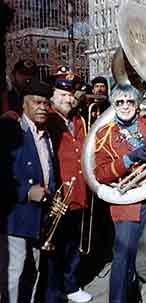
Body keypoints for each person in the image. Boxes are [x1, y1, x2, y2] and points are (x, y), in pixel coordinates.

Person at [94, 84, 146, 303]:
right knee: (123, 258)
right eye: (119, 102)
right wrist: (129, 158)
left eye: (130, 101)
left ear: (137, 105)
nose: (125, 106)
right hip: (128, 204)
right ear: (113, 105)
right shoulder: (104, 133)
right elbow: (100, 173)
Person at [0, 78, 55, 302]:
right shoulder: (9, 130)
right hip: (16, 217)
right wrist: (26, 192)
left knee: (33, 272)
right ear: (24, 104)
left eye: (46, 103)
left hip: (39, 217)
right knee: (14, 274)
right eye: (37, 102)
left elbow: (48, 167)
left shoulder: (47, 133)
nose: (43, 107)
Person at [44, 67, 92, 303]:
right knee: (54, 247)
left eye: (71, 93)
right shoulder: (48, 119)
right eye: (62, 93)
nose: (68, 98)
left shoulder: (79, 120)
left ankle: (71, 286)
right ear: (52, 94)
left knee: (73, 244)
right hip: (58, 195)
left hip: (78, 193)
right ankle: (53, 292)